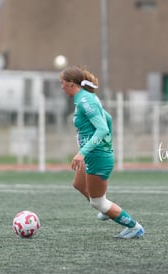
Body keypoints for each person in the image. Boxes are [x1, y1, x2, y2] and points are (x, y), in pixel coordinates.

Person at [60, 65, 145, 238]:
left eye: (62, 83)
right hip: (94, 153)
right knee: (78, 184)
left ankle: (135, 227)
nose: (61, 87)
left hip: (98, 156)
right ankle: (107, 211)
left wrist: (82, 153)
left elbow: (102, 129)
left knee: (98, 203)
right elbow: (108, 119)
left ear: (71, 83)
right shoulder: (83, 98)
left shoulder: (86, 101)